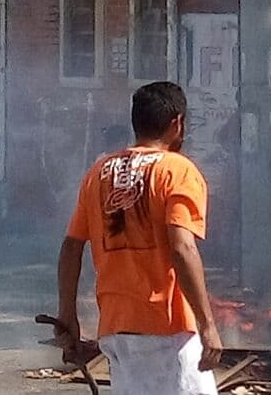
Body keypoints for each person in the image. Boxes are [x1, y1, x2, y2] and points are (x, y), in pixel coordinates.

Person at [53, 81, 223, 395]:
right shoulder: (178, 170)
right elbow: (182, 247)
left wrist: (67, 314)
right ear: (178, 123)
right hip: (169, 329)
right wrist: (208, 325)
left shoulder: (99, 172)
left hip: (116, 328)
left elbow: (71, 245)